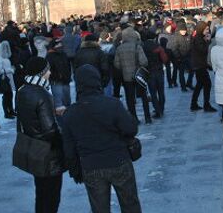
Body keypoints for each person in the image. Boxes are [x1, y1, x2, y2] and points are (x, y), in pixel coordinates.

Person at [62, 65, 141, 213]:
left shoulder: (70, 113)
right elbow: (131, 129)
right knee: (130, 204)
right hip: (119, 161)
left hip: (91, 166)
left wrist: (75, 170)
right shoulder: (113, 104)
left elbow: (68, 147)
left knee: (99, 209)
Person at [15, 57, 65, 213]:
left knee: (41, 194)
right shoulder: (42, 94)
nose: (49, 73)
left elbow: (27, 119)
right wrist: (63, 145)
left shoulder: (22, 90)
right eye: (47, 70)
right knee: (51, 196)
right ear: (41, 73)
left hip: (34, 149)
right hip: (47, 153)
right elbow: (50, 130)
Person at [114, 27, 150, 123]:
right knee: (143, 96)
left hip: (126, 77)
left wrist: (124, 68)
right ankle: (147, 117)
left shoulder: (119, 48)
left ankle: (134, 118)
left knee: (130, 99)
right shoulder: (137, 46)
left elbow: (116, 64)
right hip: (139, 76)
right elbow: (144, 61)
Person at [142, 29, 168, 118]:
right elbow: (164, 59)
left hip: (149, 72)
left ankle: (157, 110)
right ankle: (161, 108)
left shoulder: (143, 47)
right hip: (159, 70)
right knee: (161, 91)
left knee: (153, 93)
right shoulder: (158, 47)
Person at [46, 40, 72, 125]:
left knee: (67, 102)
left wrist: (68, 76)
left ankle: (68, 121)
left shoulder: (63, 54)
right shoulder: (50, 56)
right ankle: (61, 123)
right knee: (59, 104)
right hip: (56, 81)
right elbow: (49, 70)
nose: (60, 46)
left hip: (65, 80)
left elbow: (68, 66)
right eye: (58, 45)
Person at [0, 41, 17, 119]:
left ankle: (11, 110)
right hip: (5, 79)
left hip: (9, 78)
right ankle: (6, 113)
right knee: (6, 96)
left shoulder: (5, 57)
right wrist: (10, 70)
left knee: (9, 95)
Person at [168, 21, 192, 92]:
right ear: (179, 30)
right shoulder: (176, 37)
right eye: (182, 30)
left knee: (192, 71)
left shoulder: (188, 36)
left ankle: (189, 83)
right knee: (181, 73)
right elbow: (174, 48)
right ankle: (183, 86)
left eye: (184, 30)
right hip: (180, 58)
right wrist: (178, 57)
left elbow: (191, 45)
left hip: (188, 57)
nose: (183, 32)